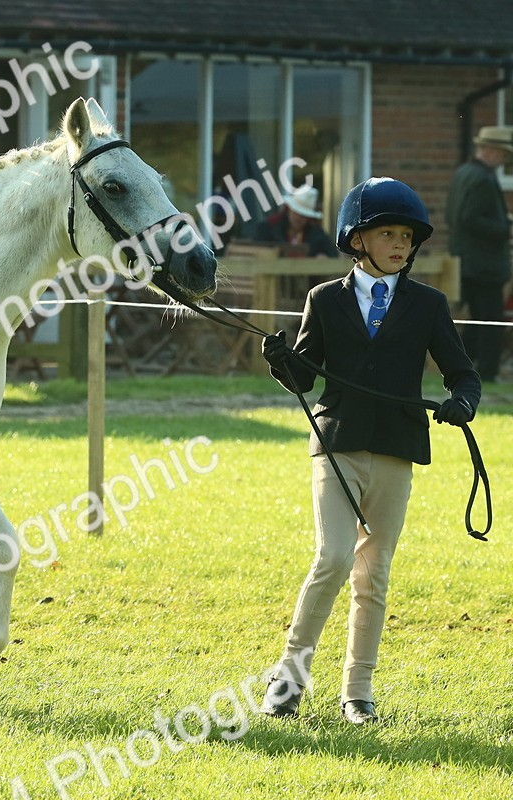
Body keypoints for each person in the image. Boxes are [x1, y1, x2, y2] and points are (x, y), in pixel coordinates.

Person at [258, 177, 481, 725]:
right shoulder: (324, 299)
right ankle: (289, 678)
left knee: (373, 572)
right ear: (357, 240)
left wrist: (463, 403)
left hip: (397, 447)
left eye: (407, 236)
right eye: (388, 234)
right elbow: (303, 379)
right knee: (334, 557)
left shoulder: (429, 304)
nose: (400, 244)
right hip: (337, 445)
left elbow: (463, 373)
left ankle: (358, 693)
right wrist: (282, 362)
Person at [446, 125, 513, 382]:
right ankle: (487, 372)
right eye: (502, 154)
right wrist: (505, 228)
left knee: (476, 320)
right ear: (490, 150)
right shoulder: (483, 178)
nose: (503, 160)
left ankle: (458, 367)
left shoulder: (463, 172)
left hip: (466, 259)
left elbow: (456, 216)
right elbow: (470, 219)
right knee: (491, 320)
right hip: (484, 263)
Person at [259, 184, 339, 258]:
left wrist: (324, 257)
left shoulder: (317, 234)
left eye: (303, 215)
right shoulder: (269, 228)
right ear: (289, 209)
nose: (298, 218)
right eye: (296, 212)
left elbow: (333, 254)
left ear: (309, 218)